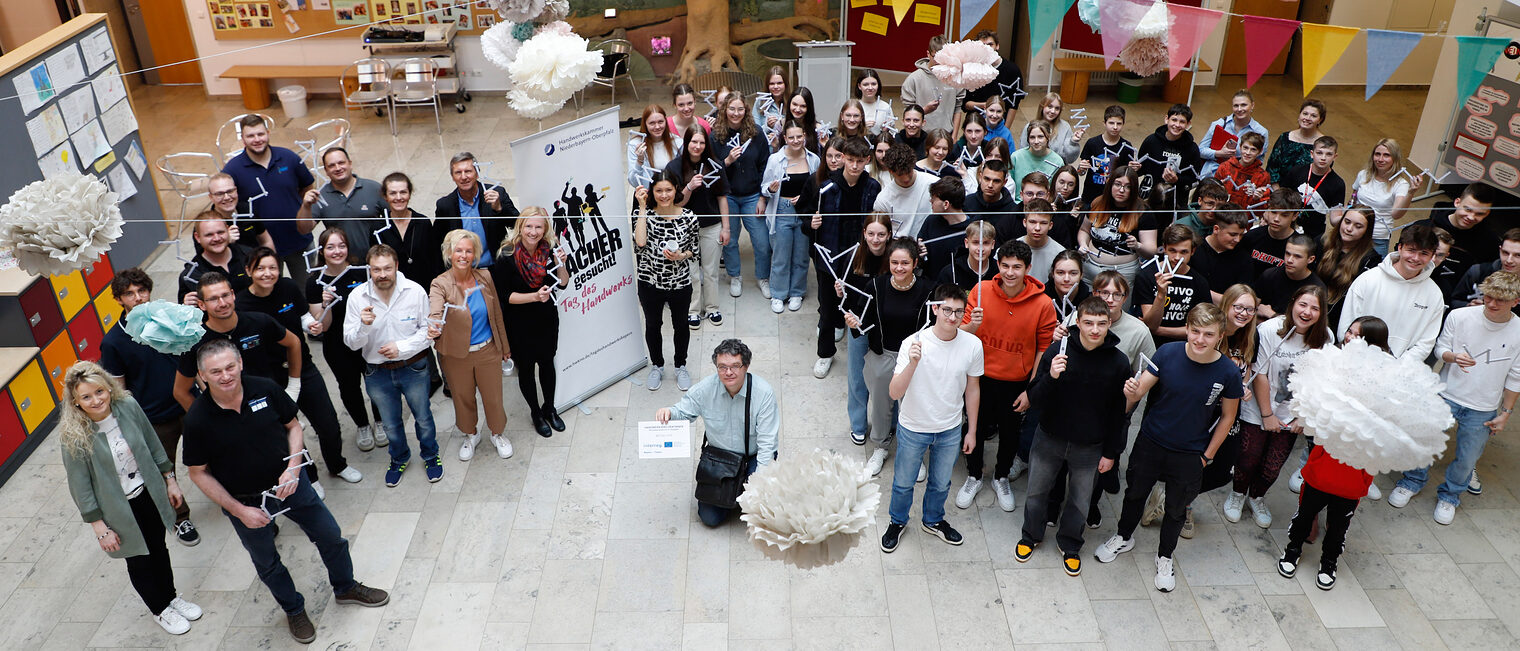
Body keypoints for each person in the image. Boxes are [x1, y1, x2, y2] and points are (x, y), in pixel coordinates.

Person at [182, 339, 388, 643]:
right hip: (246, 502)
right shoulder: (198, 419)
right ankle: (293, 609)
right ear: (202, 375)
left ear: (240, 363)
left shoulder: (265, 388)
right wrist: (240, 511)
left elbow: (293, 426)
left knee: (331, 536)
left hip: (292, 485)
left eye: (229, 367)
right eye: (216, 371)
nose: (225, 375)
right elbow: (198, 473)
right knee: (267, 562)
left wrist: (294, 467)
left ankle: (346, 587)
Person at [1096, 304, 1244, 593]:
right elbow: (1140, 390)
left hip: (1191, 452)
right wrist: (1131, 390)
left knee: (1176, 509)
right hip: (1151, 441)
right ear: (1187, 328)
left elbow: (1228, 417)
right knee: (1134, 493)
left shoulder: (1228, 372)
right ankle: (1124, 536)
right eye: (1195, 331)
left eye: (1208, 334)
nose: (1200, 339)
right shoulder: (1167, 353)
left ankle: (1165, 556)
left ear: (1220, 336)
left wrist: (1207, 456)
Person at [60, 361, 203, 636]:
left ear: (108, 388)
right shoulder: (73, 435)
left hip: (148, 492)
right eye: (86, 397)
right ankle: (160, 609)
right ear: (75, 402)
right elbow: (80, 487)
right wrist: (99, 528)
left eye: (99, 392)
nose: (96, 400)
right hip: (118, 508)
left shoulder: (128, 407)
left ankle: (171, 597)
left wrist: (170, 480)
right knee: (139, 559)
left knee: (158, 548)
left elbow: (152, 443)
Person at [1391, 270, 1520, 524]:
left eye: (1500, 300)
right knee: (1426, 441)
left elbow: (1515, 377)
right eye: (1489, 297)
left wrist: (1505, 414)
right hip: (1447, 393)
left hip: (1483, 406)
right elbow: (1440, 348)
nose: (1492, 304)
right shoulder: (1460, 316)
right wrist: (1452, 357)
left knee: (1468, 457)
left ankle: (1450, 496)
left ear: (1516, 301)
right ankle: (1411, 480)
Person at [1016, 297, 1131, 574]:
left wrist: (1111, 453)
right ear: (1077, 322)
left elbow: (1119, 414)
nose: (1095, 329)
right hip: (1049, 438)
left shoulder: (1118, 362)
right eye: (1088, 323)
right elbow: (1034, 398)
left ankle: (1070, 543)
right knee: (1036, 492)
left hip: (1090, 447)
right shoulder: (1058, 351)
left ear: (1109, 323)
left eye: (1101, 324)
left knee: (1080, 501)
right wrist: (1051, 376)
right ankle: (1031, 535)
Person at [236, 246, 358, 489]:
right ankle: (310, 476)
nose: (267, 273)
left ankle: (337, 464)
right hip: (268, 377)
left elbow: (303, 316)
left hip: (302, 365)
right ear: (249, 271)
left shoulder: (289, 287)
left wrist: (311, 324)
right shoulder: (241, 304)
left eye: (272, 268)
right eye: (260, 268)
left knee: (328, 422)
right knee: (288, 430)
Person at [880, 285, 984, 553]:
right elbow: (894, 392)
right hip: (914, 426)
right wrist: (913, 363)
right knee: (903, 482)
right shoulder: (913, 343)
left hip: (950, 428)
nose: (952, 317)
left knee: (941, 483)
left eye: (958, 311)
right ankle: (897, 521)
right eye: (947, 309)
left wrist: (971, 430)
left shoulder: (972, 344)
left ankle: (933, 520)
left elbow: (972, 389)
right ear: (935, 308)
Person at [101, 268, 200, 546]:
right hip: (155, 418)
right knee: (163, 473)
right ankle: (181, 519)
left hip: (189, 403)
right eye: (129, 294)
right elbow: (118, 389)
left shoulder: (168, 318)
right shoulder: (113, 342)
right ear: (119, 299)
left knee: (215, 452)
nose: (138, 298)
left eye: (141, 291)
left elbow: (192, 358)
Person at [957, 240, 1058, 511]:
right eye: (1005, 266)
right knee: (973, 426)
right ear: (997, 265)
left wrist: (1031, 388)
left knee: (1010, 433)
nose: (1010, 272)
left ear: (1028, 268)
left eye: (1017, 267)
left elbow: (1044, 349)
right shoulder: (980, 290)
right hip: (978, 376)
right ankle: (974, 475)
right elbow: (961, 334)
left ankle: (1000, 477)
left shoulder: (1043, 303)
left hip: (1016, 381)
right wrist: (971, 324)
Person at [1225, 285, 1333, 528]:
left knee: (1273, 466)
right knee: (1247, 459)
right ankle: (1237, 494)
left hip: (1292, 413)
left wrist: (1302, 417)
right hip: (1259, 408)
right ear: (1293, 303)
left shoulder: (1325, 337)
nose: (1307, 312)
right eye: (1303, 304)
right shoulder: (1269, 330)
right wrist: (1267, 415)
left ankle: (1257, 497)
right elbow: (1259, 374)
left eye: (1315, 308)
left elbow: (1319, 381)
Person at [344, 244, 442, 487]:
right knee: (390, 423)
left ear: (396, 266)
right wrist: (363, 326)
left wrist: (402, 348)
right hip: (377, 373)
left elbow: (427, 332)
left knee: (423, 417)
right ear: (369, 270)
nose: (382, 274)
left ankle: (430, 455)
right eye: (376, 270)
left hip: (413, 367)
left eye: (387, 268)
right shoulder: (357, 297)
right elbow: (351, 342)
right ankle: (399, 457)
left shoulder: (415, 291)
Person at [656, 339, 779, 527]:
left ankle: (743, 492)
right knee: (710, 518)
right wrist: (669, 413)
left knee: (759, 510)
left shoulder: (763, 394)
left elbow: (767, 445)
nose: (728, 372)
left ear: (746, 366)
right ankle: (734, 494)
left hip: (753, 456)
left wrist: (758, 486)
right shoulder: (706, 388)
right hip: (721, 459)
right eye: (722, 367)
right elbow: (684, 411)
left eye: (735, 366)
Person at [846, 237, 936, 478]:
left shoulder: (929, 290)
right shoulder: (876, 286)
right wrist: (854, 324)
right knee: (881, 405)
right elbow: (862, 324)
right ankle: (880, 447)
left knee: (913, 406)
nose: (899, 268)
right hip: (882, 355)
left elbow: (936, 328)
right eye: (894, 262)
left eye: (905, 263)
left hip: (915, 359)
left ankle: (914, 454)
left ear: (915, 262)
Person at [429, 229, 514, 461]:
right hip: (457, 355)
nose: (464, 255)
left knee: (493, 397)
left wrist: (504, 346)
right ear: (449, 253)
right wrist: (434, 323)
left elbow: (496, 314)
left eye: (469, 251)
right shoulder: (441, 284)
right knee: (462, 397)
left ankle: (497, 433)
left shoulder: (484, 277)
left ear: (475, 254)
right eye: (459, 250)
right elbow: (436, 308)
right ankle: (471, 434)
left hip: (488, 349)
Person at [305, 229, 384, 452]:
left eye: (341, 245)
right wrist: (325, 303)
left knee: (376, 382)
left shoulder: (362, 272)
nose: (337, 251)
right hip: (337, 344)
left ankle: (380, 422)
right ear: (322, 251)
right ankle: (362, 425)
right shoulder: (315, 282)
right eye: (330, 247)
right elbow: (324, 325)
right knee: (349, 387)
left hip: (366, 339)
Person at [494, 210, 571, 436]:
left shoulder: (550, 251)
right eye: (529, 226)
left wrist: (561, 264)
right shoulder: (506, 255)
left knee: (547, 363)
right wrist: (534, 296)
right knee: (526, 369)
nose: (533, 232)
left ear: (545, 229)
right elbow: (505, 296)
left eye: (538, 227)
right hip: (519, 322)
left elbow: (564, 283)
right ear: (520, 226)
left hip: (546, 318)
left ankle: (550, 408)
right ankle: (536, 413)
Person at [810, 137, 880, 378]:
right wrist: (812, 224)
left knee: (861, 305)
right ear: (842, 159)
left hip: (861, 258)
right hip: (830, 258)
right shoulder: (826, 189)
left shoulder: (872, 188)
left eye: (860, 162)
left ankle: (863, 353)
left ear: (867, 161)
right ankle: (825, 354)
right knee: (828, 309)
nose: (854, 166)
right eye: (850, 160)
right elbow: (812, 227)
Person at [220, 114, 318, 285]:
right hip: (259, 250)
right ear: (242, 139)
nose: (257, 139)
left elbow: (307, 186)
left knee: (307, 290)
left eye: (260, 134)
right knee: (270, 295)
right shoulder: (233, 170)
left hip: (298, 241)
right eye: (250, 136)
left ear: (268, 133)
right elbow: (224, 204)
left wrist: (305, 213)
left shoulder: (289, 158)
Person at [633, 172, 702, 392]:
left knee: (681, 324)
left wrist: (681, 256)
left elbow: (694, 250)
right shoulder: (644, 214)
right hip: (649, 281)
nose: (664, 195)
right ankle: (657, 365)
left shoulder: (689, 216)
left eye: (668, 190)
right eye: (659, 191)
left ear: (676, 190)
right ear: (652, 192)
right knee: (653, 325)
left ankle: (681, 365)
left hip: (679, 282)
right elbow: (640, 242)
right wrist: (642, 207)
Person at [1336, 221, 1443, 360]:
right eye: (1411, 250)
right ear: (1400, 248)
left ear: (1432, 256)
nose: (1416, 258)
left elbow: (1426, 343)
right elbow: (1346, 325)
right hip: (1355, 360)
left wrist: (1396, 367)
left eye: (1424, 253)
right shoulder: (1369, 279)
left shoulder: (1434, 295)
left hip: (1397, 371)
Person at [667, 125, 732, 329]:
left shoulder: (715, 165)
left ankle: (712, 308)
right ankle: (693, 310)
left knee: (711, 270)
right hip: (685, 227)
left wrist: (726, 228)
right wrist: (688, 188)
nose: (697, 146)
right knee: (691, 271)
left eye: (702, 142)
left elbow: (722, 198)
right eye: (693, 142)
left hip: (712, 225)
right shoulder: (674, 167)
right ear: (686, 143)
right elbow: (675, 204)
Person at [839, 215, 895, 444]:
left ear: (889, 235)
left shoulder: (894, 257)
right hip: (860, 325)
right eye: (871, 233)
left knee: (891, 377)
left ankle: (890, 423)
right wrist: (840, 294)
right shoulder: (854, 256)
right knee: (857, 377)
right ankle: (859, 424)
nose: (876, 239)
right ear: (864, 233)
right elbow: (846, 296)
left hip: (889, 326)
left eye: (881, 234)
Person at [712, 92, 773, 300]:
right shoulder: (716, 135)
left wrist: (763, 197)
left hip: (752, 195)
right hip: (727, 195)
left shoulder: (756, 133)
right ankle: (735, 275)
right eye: (731, 109)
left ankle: (763, 277)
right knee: (729, 240)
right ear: (724, 110)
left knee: (762, 241)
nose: (736, 113)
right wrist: (727, 161)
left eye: (740, 109)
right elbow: (711, 170)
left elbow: (766, 165)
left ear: (746, 110)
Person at [759, 121, 819, 314]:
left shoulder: (813, 159)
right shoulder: (775, 160)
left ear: (805, 136)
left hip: (803, 212)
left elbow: (817, 188)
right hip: (782, 210)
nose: (795, 141)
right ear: (785, 138)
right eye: (791, 137)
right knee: (780, 255)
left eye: (799, 137)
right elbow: (764, 187)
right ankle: (778, 294)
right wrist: (770, 189)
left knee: (801, 256)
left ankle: (796, 292)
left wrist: (805, 197)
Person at [296, 147, 384, 262]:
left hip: (376, 262)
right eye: (331, 165)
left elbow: (397, 218)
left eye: (341, 163)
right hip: (340, 264)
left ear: (350, 164)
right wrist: (306, 206)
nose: (338, 168)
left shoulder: (374, 188)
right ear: (326, 171)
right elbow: (304, 229)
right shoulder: (320, 196)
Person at [435, 152, 519, 268]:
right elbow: (438, 242)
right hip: (463, 271)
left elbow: (518, 225)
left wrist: (499, 208)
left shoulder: (498, 193)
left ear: (477, 173)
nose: (464, 177)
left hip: (496, 268)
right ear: (452, 177)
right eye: (458, 172)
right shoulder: (445, 205)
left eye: (468, 171)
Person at [1078, 168, 1156, 291]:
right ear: (1110, 184)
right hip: (1090, 268)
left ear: (1134, 189)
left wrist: (1138, 245)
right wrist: (1083, 244)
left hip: (1122, 273)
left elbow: (1152, 251)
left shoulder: (1143, 212)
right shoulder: (1098, 203)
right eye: (1117, 184)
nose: (1121, 190)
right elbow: (1084, 230)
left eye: (1127, 187)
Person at [1135, 224, 1212, 347]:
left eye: (1184, 252)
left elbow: (1200, 329)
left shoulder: (1199, 282)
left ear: (1193, 251)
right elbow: (1151, 324)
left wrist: (1160, 330)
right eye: (1172, 251)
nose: (1177, 258)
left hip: (1183, 346)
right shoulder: (1147, 275)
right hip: (1149, 344)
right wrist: (1161, 294)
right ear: (1164, 248)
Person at [1422, 182, 1499, 295]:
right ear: (1457, 202)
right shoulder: (1427, 226)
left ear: (1487, 213)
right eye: (1468, 210)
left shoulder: (1489, 242)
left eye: (1479, 214)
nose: (1471, 217)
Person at [373, 172, 445, 286]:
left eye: (403, 192)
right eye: (392, 193)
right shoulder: (378, 227)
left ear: (410, 194)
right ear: (385, 197)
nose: (398, 197)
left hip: (423, 289)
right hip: (391, 290)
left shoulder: (423, 222)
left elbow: (435, 260)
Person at [1351, 139, 1417, 255]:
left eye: (1386, 155)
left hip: (1377, 238)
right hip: (1354, 232)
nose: (1380, 159)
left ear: (1395, 158)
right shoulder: (1363, 174)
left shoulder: (1401, 184)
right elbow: (1353, 198)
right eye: (1377, 154)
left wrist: (1410, 193)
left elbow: (1396, 214)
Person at [1317, 204, 1381, 324]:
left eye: (1358, 226)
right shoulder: (1322, 242)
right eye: (1347, 222)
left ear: (1367, 231)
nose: (1349, 229)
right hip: (1311, 308)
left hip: (1338, 320)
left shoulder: (1371, 260)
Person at [1137, 104, 1202, 219]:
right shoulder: (1151, 141)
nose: (1177, 125)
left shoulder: (1192, 149)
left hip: (1176, 201)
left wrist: (1177, 180)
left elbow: (1194, 179)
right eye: (1174, 120)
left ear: (1188, 124)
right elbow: (1141, 168)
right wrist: (1134, 168)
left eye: (1182, 122)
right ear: (1166, 119)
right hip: (1149, 197)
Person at [1278, 135, 1345, 240]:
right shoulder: (1296, 171)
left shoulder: (1338, 184)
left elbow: (1334, 220)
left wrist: (1347, 217)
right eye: (1319, 153)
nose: (1323, 158)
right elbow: (1280, 198)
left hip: (1314, 234)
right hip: (1287, 228)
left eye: (1329, 154)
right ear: (1312, 154)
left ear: (1335, 157)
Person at [178, 214, 253, 305]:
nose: (217, 238)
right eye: (209, 235)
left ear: (227, 229)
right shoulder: (191, 275)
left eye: (220, 232)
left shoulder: (250, 256)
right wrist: (186, 307)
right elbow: (183, 315)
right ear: (197, 237)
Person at [1197, 89, 1269, 180]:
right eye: (1236, 105)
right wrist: (1219, 153)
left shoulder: (1261, 132)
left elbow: (1259, 161)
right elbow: (1200, 150)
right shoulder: (1219, 124)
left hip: (1239, 177)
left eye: (1244, 105)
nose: (1239, 109)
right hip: (1212, 174)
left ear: (1252, 105)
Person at [1188, 205, 1253, 303]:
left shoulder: (1243, 258)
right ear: (1216, 229)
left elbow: (1244, 297)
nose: (1237, 240)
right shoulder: (1195, 251)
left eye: (1241, 235)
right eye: (1233, 234)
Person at [901, 36, 964, 135]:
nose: (938, 61)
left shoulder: (955, 78)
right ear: (928, 54)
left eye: (942, 58)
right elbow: (908, 113)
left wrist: (954, 136)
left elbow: (958, 108)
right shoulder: (914, 79)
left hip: (946, 134)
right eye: (935, 57)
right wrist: (925, 110)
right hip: (920, 135)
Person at [1078, 105, 1141, 205]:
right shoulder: (1092, 143)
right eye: (1111, 123)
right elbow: (1081, 172)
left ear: (1123, 124)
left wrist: (1134, 169)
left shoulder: (1127, 147)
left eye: (1119, 123)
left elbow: (1127, 174)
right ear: (1104, 123)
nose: (1115, 127)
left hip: (1114, 198)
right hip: (1090, 196)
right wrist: (1081, 168)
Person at [628, 104, 684, 212]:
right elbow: (634, 182)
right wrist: (639, 161)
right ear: (645, 124)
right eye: (652, 123)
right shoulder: (635, 144)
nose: (657, 127)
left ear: (666, 122)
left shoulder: (677, 142)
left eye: (660, 122)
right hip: (646, 200)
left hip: (670, 200)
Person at [1254, 234, 1325, 318]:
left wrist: (1272, 315)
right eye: (1287, 254)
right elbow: (1253, 308)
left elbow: (1306, 324)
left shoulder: (1316, 288)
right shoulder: (1269, 275)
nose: (1290, 260)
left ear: (1310, 259)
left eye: (1297, 256)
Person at [874, 142, 937, 237]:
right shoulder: (883, 199)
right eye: (900, 174)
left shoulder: (934, 183)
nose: (906, 179)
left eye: (908, 172)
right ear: (890, 171)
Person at [1450, 228, 1520, 311]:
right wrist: (1468, 306)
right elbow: (1453, 301)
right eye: (1505, 253)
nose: (1509, 260)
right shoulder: (1478, 272)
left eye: (1518, 255)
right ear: (1500, 249)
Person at [917, 176, 972, 280]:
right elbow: (921, 253)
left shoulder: (971, 230)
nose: (930, 201)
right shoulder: (931, 221)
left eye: (933, 198)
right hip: (932, 285)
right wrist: (919, 251)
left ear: (946, 204)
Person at [203, 171, 274, 251]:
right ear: (211, 197)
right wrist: (224, 242)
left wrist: (270, 261)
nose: (226, 197)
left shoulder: (248, 209)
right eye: (220, 194)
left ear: (236, 190)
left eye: (230, 191)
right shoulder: (205, 224)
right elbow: (205, 259)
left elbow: (266, 240)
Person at [1240, 189, 1302, 280]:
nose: (1276, 219)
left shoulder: (1299, 246)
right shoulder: (1251, 237)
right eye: (1273, 212)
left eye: (1284, 215)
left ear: (1295, 216)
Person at [1266, 98, 1327, 186]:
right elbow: (1272, 170)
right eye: (1305, 114)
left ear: (1320, 120)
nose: (1307, 118)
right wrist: (1279, 195)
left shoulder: (1324, 144)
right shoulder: (1285, 138)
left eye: (1313, 116)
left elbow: (1323, 174)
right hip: (1279, 192)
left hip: (1309, 194)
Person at [963, 30, 1024, 113]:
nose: (987, 48)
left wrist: (1006, 126)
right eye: (982, 46)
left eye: (990, 44)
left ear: (997, 46)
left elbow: (1014, 105)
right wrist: (986, 105)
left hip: (1001, 120)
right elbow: (965, 104)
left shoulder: (1012, 69)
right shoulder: (972, 70)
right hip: (976, 119)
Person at [1214, 131, 1272, 212]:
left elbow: (1261, 211)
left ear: (1260, 151)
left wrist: (1256, 199)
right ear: (1240, 147)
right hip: (1221, 215)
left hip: (1244, 220)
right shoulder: (1225, 167)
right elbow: (1212, 194)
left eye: (1253, 150)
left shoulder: (1263, 176)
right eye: (1245, 148)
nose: (1248, 153)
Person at [1020, 92, 1084, 162]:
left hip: (1057, 169)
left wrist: (1073, 142)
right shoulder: (1029, 126)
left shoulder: (1065, 127)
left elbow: (1070, 159)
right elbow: (1023, 153)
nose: (1053, 111)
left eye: (1057, 108)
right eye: (1050, 107)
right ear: (1042, 107)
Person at [939, 220, 999, 289]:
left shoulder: (1000, 271)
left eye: (985, 243)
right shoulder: (950, 272)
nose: (980, 248)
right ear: (966, 243)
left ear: (993, 244)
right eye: (975, 243)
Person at [1012, 120, 1065, 191]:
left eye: (1040, 137)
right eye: (1032, 137)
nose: (1036, 141)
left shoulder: (1058, 161)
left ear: (1048, 137)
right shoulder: (1016, 157)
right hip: (1019, 201)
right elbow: (1008, 186)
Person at [753, 67, 789, 142]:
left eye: (779, 83)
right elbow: (754, 133)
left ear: (785, 84)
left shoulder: (791, 102)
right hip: (766, 148)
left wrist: (781, 124)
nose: (776, 87)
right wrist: (767, 126)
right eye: (772, 83)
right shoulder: (760, 102)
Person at [855, 68, 894, 135]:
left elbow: (892, 134)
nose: (870, 88)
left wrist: (885, 131)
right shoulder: (854, 107)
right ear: (859, 86)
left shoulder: (885, 107)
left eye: (873, 84)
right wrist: (861, 128)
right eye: (865, 84)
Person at [785, 88, 821, 153]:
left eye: (803, 106)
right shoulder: (780, 124)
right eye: (795, 104)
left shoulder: (818, 129)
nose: (798, 109)